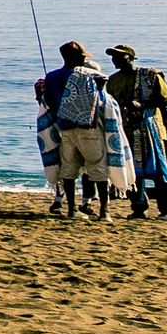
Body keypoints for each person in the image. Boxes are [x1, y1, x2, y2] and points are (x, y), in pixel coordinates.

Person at [35, 40, 117, 218]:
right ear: (77, 57)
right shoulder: (90, 75)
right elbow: (103, 100)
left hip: (64, 129)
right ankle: (104, 212)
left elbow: (46, 102)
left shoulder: (51, 77)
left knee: (68, 170)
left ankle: (72, 210)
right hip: (89, 129)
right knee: (98, 168)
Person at [106, 44, 167, 217]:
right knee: (132, 172)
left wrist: (143, 105)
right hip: (126, 130)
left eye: (120, 56)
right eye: (114, 57)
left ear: (130, 58)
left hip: (150, 130)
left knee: (159, 171)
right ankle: (138, 208)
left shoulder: (150, 75)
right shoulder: (113, 80)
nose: (115, 60)